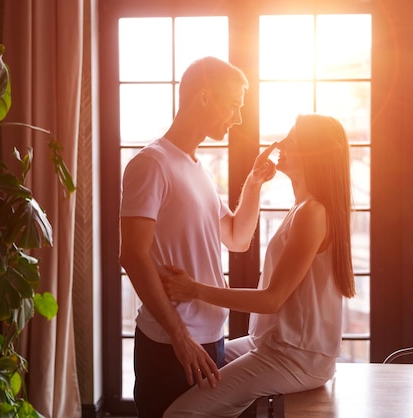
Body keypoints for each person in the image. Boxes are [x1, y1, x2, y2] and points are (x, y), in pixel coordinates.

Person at [161, 113, 357, 418]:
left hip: (297, 358)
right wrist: (254, 183)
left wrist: (195, 290)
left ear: (313, 153)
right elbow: (240, 239)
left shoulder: (313, 212)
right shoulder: (303, 207)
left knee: (181, 414)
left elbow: (271, 299)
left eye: (292, 140)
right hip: (273, 344)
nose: (280, 144)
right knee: (204, 361)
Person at [119, 56, 277, 418]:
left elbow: (237, 238)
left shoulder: (197, 168)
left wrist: (253, 184)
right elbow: (132, 255)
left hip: (210, 338)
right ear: (204, 97)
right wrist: (179, 337)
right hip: (171, 344)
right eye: (233, 106)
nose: (237, 118)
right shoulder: (151, 163)